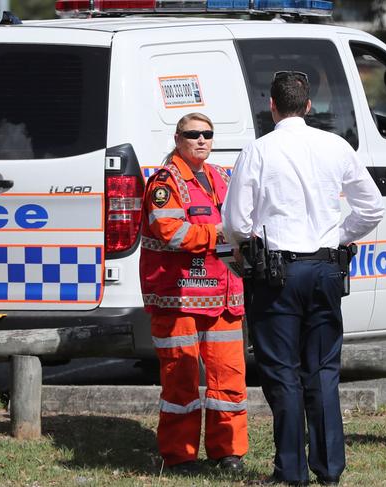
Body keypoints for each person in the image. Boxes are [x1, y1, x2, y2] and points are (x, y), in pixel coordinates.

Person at [221, 72, 384, 486]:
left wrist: (246, 243)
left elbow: (236, 221)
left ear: (271, 106)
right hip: (327, 269)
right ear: (309, 106)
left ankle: (290, 472)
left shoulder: (258, 150)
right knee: (323, 371)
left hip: (278, 274)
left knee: (282, 374)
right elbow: (372, 209)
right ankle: (329, 470)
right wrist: (338, 236)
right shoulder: (335, 145)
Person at [139, 112, 248, 475]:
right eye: (193, 134)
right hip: (178, 296)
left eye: (207, 134)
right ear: (177, 137)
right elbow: (170, 230)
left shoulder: (221, 176)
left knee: (228, 378)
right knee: (180, 381)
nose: (201, 140)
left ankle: (228, 453)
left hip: (224, 294)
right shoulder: (164, 182)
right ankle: (180, 455)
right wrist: (218, 234)